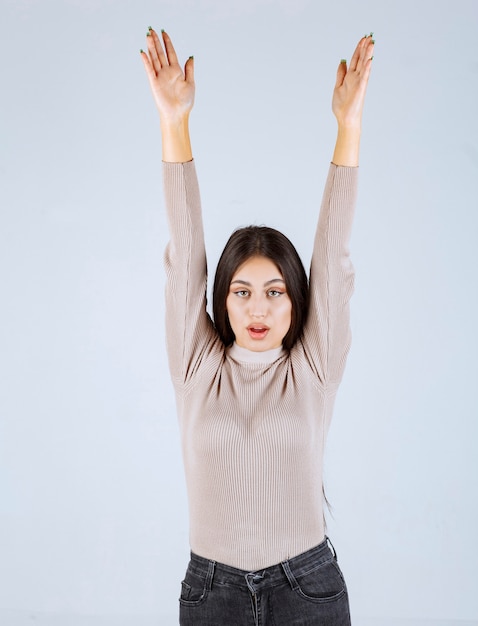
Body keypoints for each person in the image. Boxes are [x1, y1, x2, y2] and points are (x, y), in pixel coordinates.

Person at [141, 26, 374, 626]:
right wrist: (175, 122)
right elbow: (186, 248)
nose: (258, 309)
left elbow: (333, 250)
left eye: (275, 292)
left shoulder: (313, 367)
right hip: (211, 591)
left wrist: (347, 129)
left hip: (307, 588)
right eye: (241, 292)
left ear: (297, 303)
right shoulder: (197, 367)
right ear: (222, 300)